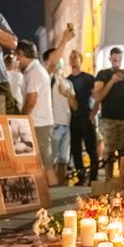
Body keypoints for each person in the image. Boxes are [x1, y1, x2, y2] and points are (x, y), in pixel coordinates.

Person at [93, 47, 124, 178]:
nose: (117, 62)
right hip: (109, 119)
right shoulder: (103, 74)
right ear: (110, 59)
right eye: (114, 59)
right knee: (109, 152)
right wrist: (112, 81)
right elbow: (98, 96)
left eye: (119, 59)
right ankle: (108, 181)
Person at [15, 40, 55, 184]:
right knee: (43, 162)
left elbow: (31, 100)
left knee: (46, 164)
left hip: (39, 123)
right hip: (39, 122)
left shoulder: (34, 72)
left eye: (17, 57)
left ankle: (56, 197)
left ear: (22, 54)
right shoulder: (35, 70)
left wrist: (21, 119)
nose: (16, 61)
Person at [43, 47, 77, 185]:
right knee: (50, 162)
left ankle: (60, 188)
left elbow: (75, 106)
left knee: (63, 160)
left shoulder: (68, 82)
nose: (59, 61)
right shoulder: (47, 78)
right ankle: (50, 189)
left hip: (66, 125)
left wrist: (67, 94)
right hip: (53, 124)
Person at [67, 49, 98, 185]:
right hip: (73, 118)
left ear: (80, 59)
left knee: (91, 148)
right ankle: (81, 177)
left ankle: (93, 178)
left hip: (86, 117)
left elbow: (97, 97)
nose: (73, 59)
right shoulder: (67, 80)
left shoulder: (88, 78)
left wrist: (93, 113)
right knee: (75, 149)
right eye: (71, 57)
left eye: (75, 57)